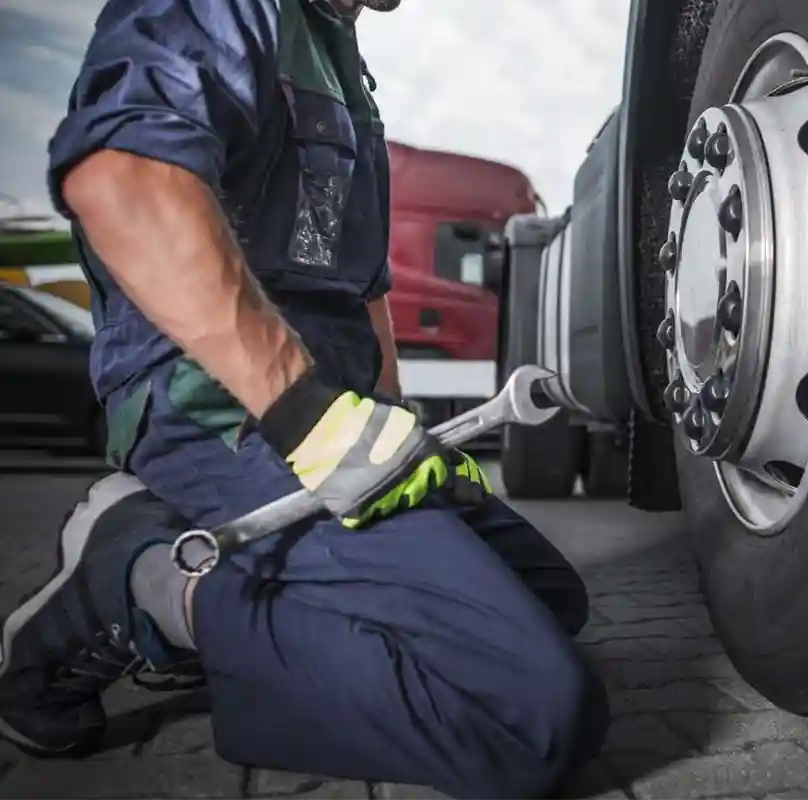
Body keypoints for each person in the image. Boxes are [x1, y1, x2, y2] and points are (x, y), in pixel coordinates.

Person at [0, 1, 610, 797]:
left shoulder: (338, 53)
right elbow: (124, 179)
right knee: (529, 717)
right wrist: (307, 419)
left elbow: (361, 290)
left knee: (546, 597)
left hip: (328, 407)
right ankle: (147, 583)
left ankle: (230, 583)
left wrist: (395, 428)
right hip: (218, 406)